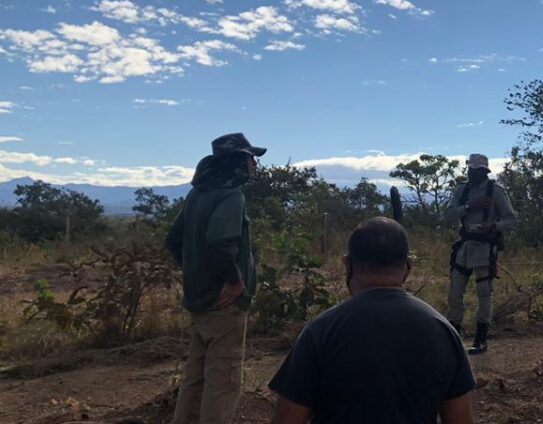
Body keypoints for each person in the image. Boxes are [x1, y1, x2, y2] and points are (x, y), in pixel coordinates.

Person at [269, 217, 475, 424]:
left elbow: (287, 418)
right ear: (407, 268)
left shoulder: (320, 331)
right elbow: (460, 419)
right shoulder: (443, 331)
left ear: (347, 264)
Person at [165, 133, 264, 424]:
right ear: (237, 162)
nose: (254, 164)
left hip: (199, 300)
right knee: (224, 380)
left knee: (195, 378)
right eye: (250, 158)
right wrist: (234, 281)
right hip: (224, 306)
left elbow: (173, 239)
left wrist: (198, 273)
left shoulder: (198, 193)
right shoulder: (231, 196)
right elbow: (220, 242)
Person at [443, 153, 517, 354]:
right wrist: (468, 207)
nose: (473, 173)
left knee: (484, 292)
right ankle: (454, 338)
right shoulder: (462, 190)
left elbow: (512, 221)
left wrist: (493, 225)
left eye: (477, 170)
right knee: (455, 292)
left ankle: (481, 339)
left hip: (485, 247)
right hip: (464, 245)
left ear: (485, 171)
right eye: (471, 169)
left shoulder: (496, 192)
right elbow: (448, 215)